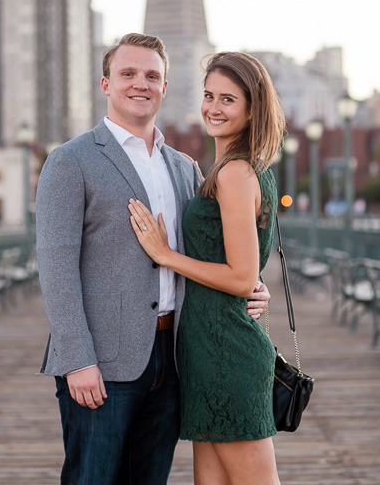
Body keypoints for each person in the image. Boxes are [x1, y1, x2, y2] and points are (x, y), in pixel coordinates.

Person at [36, 35, 271, 485]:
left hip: (177, 358)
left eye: (152, 76)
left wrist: (253, 286)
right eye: (128, 74)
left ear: (165, 87)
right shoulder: (71, 161)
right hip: (102, 363)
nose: (139, 84)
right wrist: (77, 359)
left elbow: (211, 251)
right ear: (106, 84)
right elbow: (56, 269)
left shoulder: (185, 168)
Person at [128, 51, 286, 485]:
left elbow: (239, 277)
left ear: (253, 108)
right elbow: (244, 271)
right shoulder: (230, 169)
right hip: (204, 351)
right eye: (209, 95)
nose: (214, 107)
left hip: (228, 354)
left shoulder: (235, 173)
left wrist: (166, 255)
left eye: (229, 100)